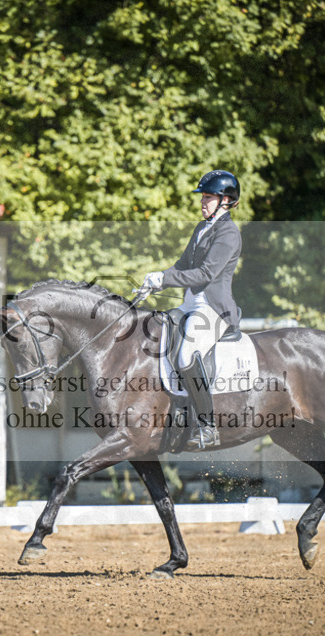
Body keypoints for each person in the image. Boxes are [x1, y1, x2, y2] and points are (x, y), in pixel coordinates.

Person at [140, 170, 242, 450]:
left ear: (226, 201)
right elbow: (184, 264)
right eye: (203, 197)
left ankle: (208, 427)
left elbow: (204, 274)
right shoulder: (202, 227)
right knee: (156, 333)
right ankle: (176, 411)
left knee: (186, 355)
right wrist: (156, 280)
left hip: (214, 308)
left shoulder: (229, 233)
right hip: (190, 303)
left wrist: (164, 279)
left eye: (208, 198)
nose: (202, 202)